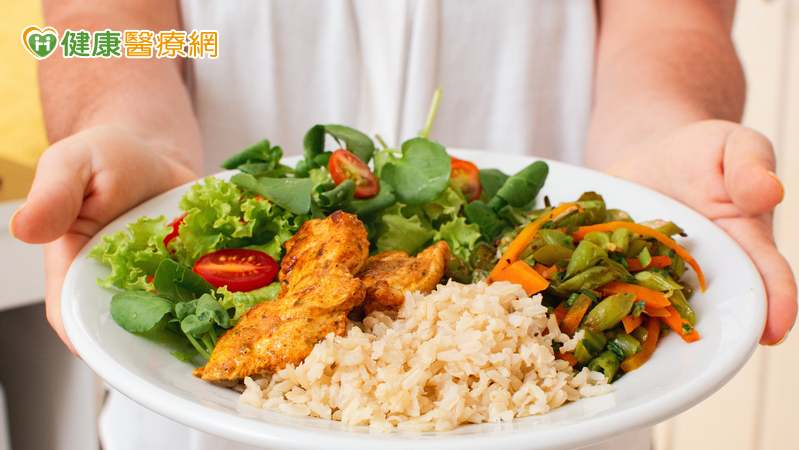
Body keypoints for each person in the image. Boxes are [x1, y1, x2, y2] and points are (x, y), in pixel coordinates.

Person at [10, 1, 797, 449]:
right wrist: (122, 122)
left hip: (555, 417)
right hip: (206, 429)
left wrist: (662, 129)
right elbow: (96, 19)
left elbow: (671, 18)